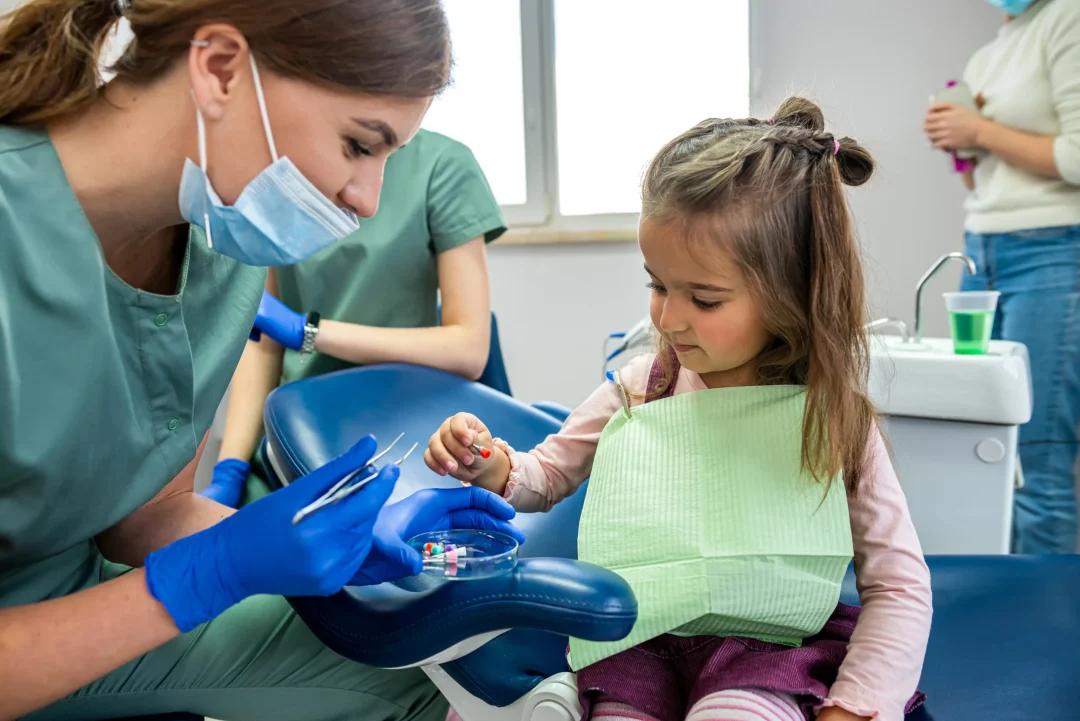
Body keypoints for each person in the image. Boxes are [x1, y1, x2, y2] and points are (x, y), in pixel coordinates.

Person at [0, 1, 524, 719]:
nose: (367, 201)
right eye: (358, 144)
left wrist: (319, 533)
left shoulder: (220, 246)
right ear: (220, 68)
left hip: (82, 590)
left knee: (438, 663)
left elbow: (140, 519)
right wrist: (201, 577)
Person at [426, 98, 933, 721]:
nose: (667, 317)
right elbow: (545, 476)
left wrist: (853, 708)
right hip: (638, 647)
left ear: (792, 295)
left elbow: (899, 587)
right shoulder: (641, 390)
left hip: (769, 652)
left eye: (706, 298)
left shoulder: (833, 422)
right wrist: (488, 464)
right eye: (658, 285)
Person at [202, 128, 505, 508]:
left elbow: (469, 348)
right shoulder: (285, 165)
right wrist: (230, 468)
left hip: (402, 431)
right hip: (295, 424)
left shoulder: (441, 164)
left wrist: (308, 332)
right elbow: (263, 341)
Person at [923, 0, 1080, 554]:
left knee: (1037, 460)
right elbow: (985, 184)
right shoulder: (988, 56)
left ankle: (1053, 633)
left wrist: (981, 131)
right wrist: (962, 149)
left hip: (1055, 249)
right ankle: (1007, 615)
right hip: (982, 250)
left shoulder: (1067, 17)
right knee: (981, 443)